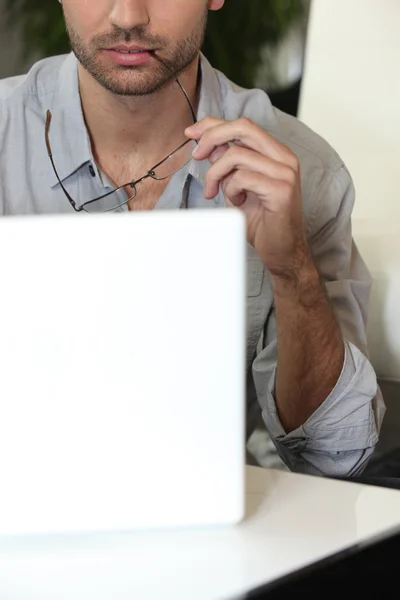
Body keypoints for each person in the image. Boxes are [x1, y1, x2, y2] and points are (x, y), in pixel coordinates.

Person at [0, 0, 385, 476]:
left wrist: (292, 270)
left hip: (208, 519)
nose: (128, 17)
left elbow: (336, 454)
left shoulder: (305, 171)